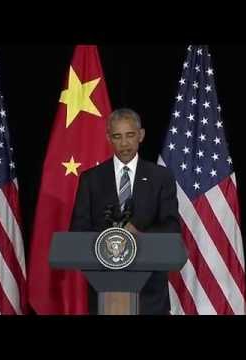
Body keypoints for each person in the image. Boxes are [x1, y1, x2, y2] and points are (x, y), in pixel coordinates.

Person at [70, 108, 180, 315]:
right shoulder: (91, 179)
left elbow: (171, 227)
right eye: (117, 137)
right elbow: (78, 230)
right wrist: (107, 240)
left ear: (141, 135)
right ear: (108, 138)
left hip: (150, 294)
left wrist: (139, 234)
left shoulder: (161, 177)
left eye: (130, 135)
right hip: (105, 290)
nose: (124, 143)